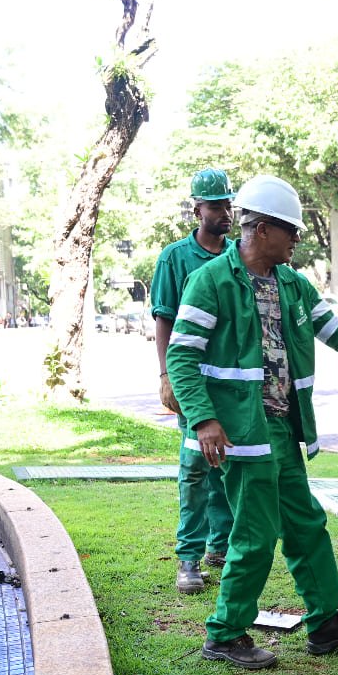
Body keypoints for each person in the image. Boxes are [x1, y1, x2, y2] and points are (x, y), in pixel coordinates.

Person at [166, 174, 338, 670]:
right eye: (291, 231)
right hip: (242, 434)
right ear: (263, 229)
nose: (297, 240)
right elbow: (181, 358)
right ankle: (224, 633)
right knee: (254, 533)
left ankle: (326, 622)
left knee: (307, 525)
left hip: (284, 431)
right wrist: (204, 420)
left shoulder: (292, 284)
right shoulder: (210, 281)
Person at [150, 167, 236, 595]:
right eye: (217, 205)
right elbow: (164, 319)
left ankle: (219, 549)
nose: (226, 212)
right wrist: (167, 376)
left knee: (225, 465)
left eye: (228, 203)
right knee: (194, 468)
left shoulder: (238, 253)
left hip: (232, 381)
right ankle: (188, 558)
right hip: (191, 379)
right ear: (196, 209)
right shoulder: (175, 258)